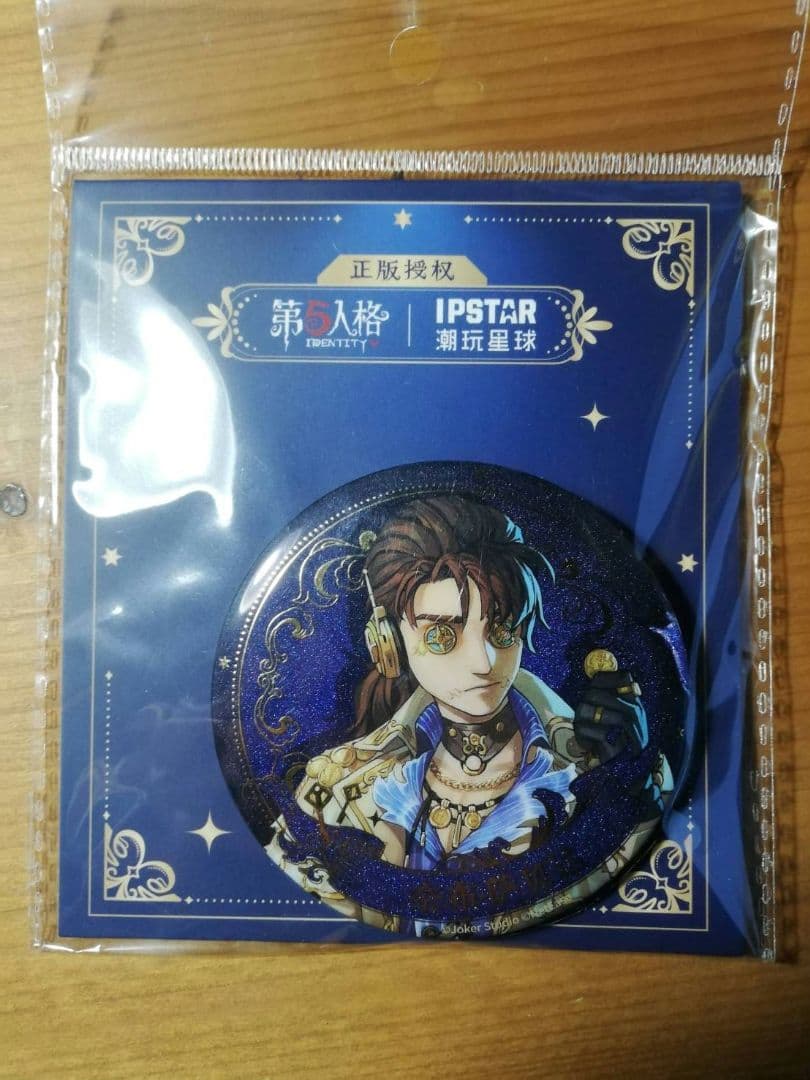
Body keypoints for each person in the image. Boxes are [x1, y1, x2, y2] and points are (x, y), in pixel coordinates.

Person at [286, 495, 664, 876]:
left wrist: (630, 782)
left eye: (502, 630)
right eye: (441, 636)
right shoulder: (334, 787)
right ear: (389, 644)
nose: (484, 663)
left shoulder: (589, 762)